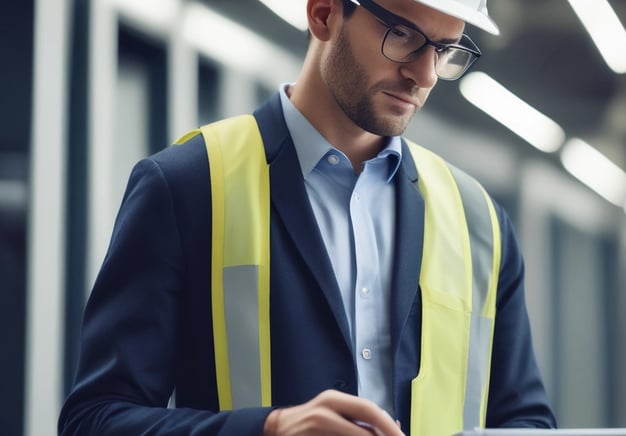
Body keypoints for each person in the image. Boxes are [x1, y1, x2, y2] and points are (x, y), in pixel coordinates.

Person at [58, 0, 556, 434]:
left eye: (445, 50)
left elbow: (526, 424)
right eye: (402, 34)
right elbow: (95, 419)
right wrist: (268, 430)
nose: (425, 75)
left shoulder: (478, 224)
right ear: (323, 13)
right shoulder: (187, 186)